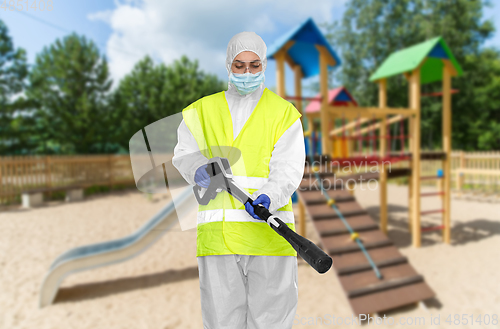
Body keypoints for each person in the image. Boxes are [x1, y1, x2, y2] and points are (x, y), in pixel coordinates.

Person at [172, 31, 305, 329]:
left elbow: (288, 167)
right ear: (228, 66)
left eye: (254, 65)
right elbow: (183, 153)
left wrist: (270, 195)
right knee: (221, 321)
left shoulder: (283, 113)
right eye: (240, 65)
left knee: (271, 319)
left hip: (269, 235)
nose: (247, 72)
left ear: (264, 66)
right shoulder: (201, 111)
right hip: (218, 238)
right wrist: (199, 169)